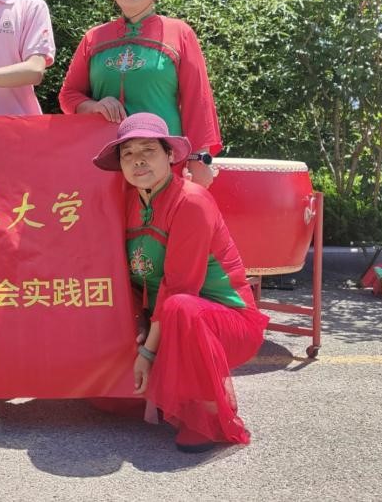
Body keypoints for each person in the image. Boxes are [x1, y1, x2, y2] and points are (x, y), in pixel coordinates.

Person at [92, 112, 268, 452]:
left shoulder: (191, 201)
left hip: (224, 323)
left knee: (181, 307)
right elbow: (123, 277)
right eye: (128, 153)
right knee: (108, 398)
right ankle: (167, 393)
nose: (138, 160)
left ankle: (208, 415)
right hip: (163, 318)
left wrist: (146, 353)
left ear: (170, 155)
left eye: (148, 150)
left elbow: (179, 287)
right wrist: (135, 324)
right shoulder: (125, 202)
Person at [59, 0, 220, 186]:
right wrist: (95, 106)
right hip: (105, 163)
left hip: (163, 161)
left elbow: (197, 102)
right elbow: (69, 96)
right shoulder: (94, 38)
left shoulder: (180, 33)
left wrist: (199, 159)